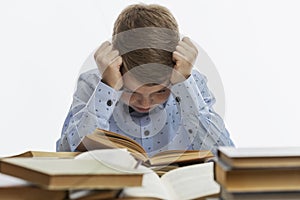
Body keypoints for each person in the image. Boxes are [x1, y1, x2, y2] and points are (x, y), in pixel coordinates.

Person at [56, 3, 234, 156]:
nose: (145, 103)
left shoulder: (190, 83)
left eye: (160, 91)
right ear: (116, 66)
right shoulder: (94, 84)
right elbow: (64, 156)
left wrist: (184, 83)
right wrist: (108, 87)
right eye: (131, 91)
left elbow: (225, 155)